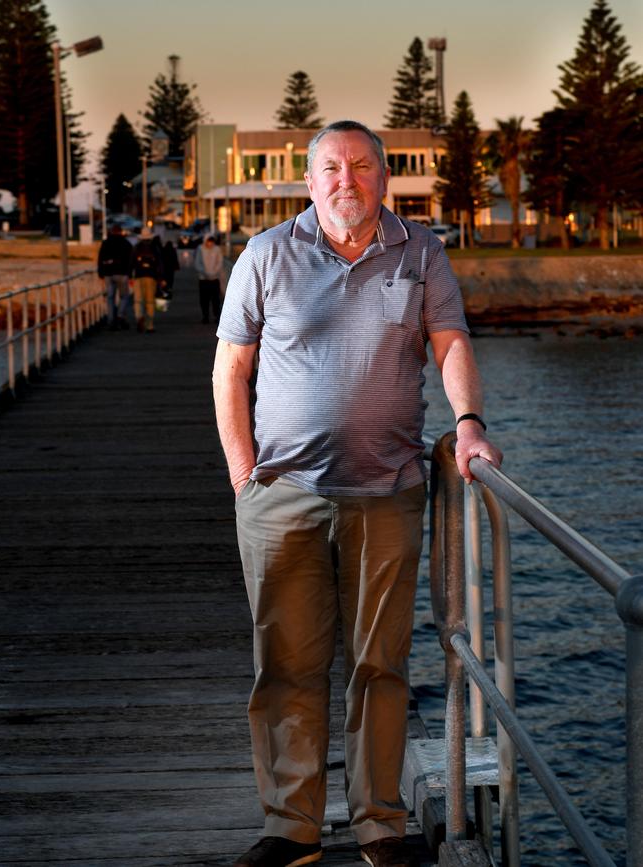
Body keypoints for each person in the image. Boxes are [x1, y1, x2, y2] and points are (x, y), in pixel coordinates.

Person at [212, 121, 502, 867]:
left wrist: (467, 424)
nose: (349, 179)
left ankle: (380, 823)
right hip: (284, 495)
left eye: (364, 166)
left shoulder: (421, 250)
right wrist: (244, 478)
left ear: (384, 178)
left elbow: (451, 342)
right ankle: (292, 826)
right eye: (333, 168)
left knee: (380, 664)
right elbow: (231, 371)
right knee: (287, 665)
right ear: (310, 182)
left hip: (388, 492)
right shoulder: (267, 254)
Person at [97, 223, 133, 330]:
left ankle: (111, 320)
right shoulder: (126, 243)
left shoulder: (106, 243)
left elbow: (100, 259)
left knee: (110, 297)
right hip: (122, 273)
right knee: (124, 296)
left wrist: (100, 273)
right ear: (121, 232)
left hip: (108, 274)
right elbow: (130, 259)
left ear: (111, 231)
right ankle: (120, 315)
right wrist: (130, 274)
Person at [129, 227, 164, 333]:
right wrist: (161, 279)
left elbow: (131, 263)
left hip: (139, 276)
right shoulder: (155, 248)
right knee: (150, 302)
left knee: (138, 300)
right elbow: (160, 264)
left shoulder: (136, 248)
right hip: (151, 277)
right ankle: (149, 325)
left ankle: (139, 317)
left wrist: (130, 276)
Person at [194, 233, 223, 323]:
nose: (210, 244)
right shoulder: (200, 249)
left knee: (216, 299)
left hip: (215, 278)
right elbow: (197, 263)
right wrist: (205, 272)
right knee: (204, 299)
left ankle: (216, 316)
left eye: (211, 242)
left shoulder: (217, 249)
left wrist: (214, 272)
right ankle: (205, 316)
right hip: (203, 279)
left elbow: (220, 261)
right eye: (208, 241)